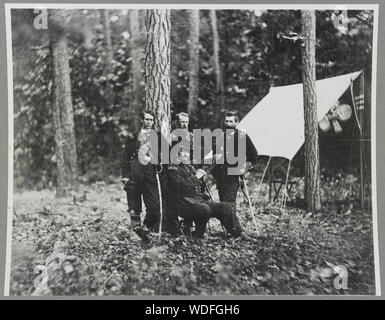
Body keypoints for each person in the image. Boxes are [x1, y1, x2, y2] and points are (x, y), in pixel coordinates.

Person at [162, 149, 243, 239]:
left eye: (188, 153)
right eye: (184, 154)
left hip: (198, 201)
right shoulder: (173, 169)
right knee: (204, 209)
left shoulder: (190, 168)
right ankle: (198, 235)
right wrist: (196, 177)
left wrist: (202, 181)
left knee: (225, 207)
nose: (187, 156)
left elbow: (198, 188)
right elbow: (180, 186)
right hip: (183, 203)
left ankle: (238, 234)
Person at [121, 110, 162, 232]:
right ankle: (137, 230)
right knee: (134, 202)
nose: (149, 122)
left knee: (154, 204)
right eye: (147, 119)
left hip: (151, 172)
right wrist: (125, 175)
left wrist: (159, 162)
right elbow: (125, 157)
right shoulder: (133, 136)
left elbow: (167, 154)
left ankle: (148, 228)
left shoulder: (159, 136)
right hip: (135, 170)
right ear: (142, 120)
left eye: (151, 120)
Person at [212, 111, 258, 208]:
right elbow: (214, 153)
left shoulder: (242, 136)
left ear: (236, 123)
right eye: (226, 121)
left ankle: (232, 222)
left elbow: (253, 154)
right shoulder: (220, 136)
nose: (228, 124)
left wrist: (244, 167)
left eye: (231, 121)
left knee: (230, 204)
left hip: (233, 175)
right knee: (223, 203)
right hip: (221, 176)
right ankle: (225, 223)